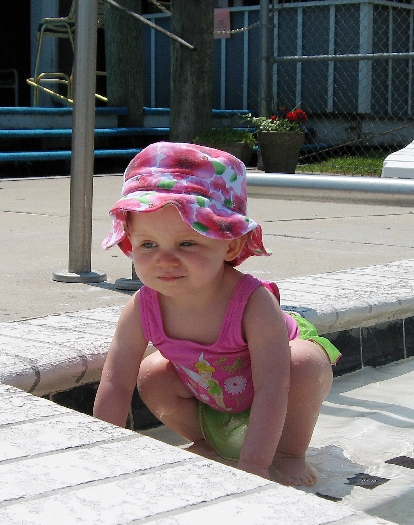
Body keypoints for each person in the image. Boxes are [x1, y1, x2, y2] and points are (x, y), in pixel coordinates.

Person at [93, 142, 340, 486]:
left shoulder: (252, 303)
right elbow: (115, 383)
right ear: (130, 242)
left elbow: (272, 387)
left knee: (302, 363)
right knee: (152, 374)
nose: (165, 259)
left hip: (275, 383)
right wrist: (99, 453)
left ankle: (287, 453)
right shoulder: (142, 307)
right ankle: (208, 442)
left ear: (231, 243)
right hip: (214, 387)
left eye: (187, 243)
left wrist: (255, 465)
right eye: (148, 245)